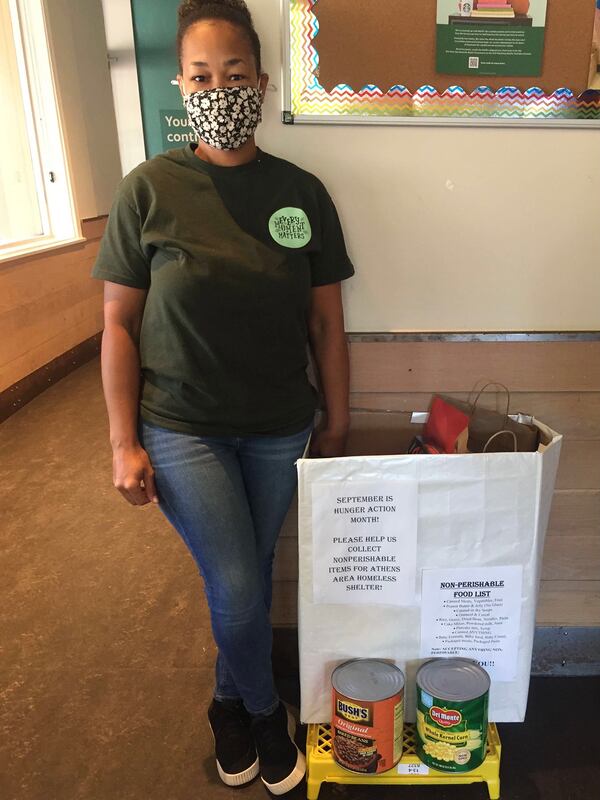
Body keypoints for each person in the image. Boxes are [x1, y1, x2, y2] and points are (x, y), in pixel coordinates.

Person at [92, 0, 354, 794]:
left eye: (234, 74)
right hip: (180, 427)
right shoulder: (149, 191)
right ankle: (262, 714)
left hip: (278, 426)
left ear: (264, 84)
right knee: (240, 585)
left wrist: (337, 421)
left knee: (243, 572)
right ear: (182, 86)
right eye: (202, 77)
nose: (219, 89)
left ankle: (224, 701)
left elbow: (326, 325)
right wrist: (121, 442)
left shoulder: (301, 193)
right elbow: (117, 324)